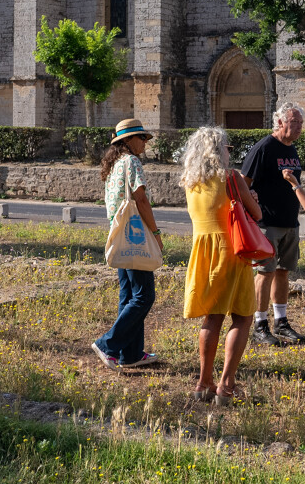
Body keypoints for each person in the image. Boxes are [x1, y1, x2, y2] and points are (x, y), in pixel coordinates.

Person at [180, 126, 263, 406]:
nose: (229, 153)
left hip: (203, 252)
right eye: (227, 148)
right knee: (242, 316)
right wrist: (251, 200)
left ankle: (203, 382)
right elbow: (256, 213)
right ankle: (226, 386)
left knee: (212, 317)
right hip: (231, 251)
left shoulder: (191, 182)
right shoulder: (231, 178)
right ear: (218, 151)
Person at [92, 118, 165, 371]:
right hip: (136, 236)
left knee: (129, 295)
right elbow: (141, 200)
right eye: (141, 137)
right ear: (129, 140)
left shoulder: (114, 165)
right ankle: (107, 344)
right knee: (144, 295)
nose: (145, 142)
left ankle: (130, 354)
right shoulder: (132, 162)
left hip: (120, 235)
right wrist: (155, 233)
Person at [240, 102, 305, 346]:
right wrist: (251, 204)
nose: (299, 127)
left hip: (290, 221)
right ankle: (260, 324)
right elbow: (243, 183)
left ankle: (281, 322)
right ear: (280, 122)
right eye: (294, 122)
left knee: (283, 271)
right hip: (267, 223)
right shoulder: (264, 148)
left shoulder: (291, 149)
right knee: (265, 272)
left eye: (301, 123)